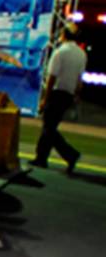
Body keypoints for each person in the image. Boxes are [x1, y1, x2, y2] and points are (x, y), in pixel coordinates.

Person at [33, 23, 85, 174]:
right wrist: (76, 95)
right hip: (68, 94)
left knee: (48, 127)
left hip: (56, 93)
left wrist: (45, 98)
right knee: (50, 127)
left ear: (64, 35)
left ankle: (68, 154)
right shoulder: (81, 54)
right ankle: (43, 157)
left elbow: (52, 77)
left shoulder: (60, 52)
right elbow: (79, 79)